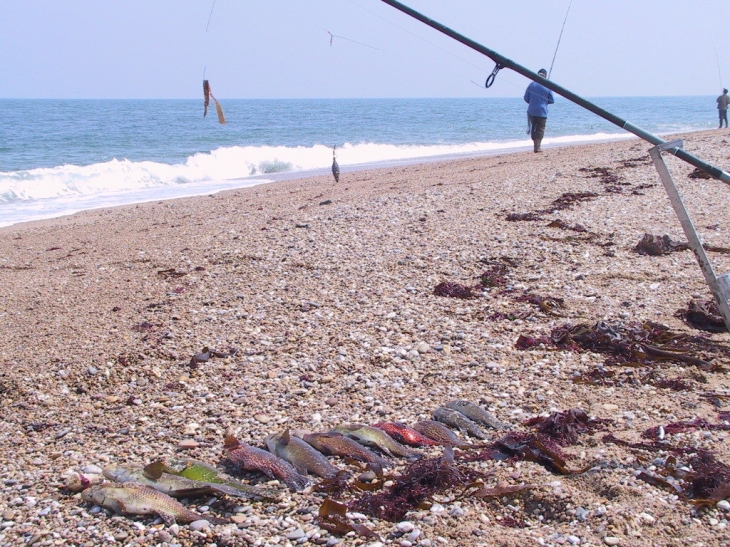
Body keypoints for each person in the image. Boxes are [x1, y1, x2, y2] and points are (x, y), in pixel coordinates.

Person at [524, 68, 555, 153]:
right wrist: (544, 102)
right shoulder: (548, 85)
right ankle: (537, 147)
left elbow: (526, 98)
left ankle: (535, 145)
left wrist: (533, 101)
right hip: (542, 111)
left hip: (531, 110)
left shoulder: (531, 85)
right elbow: (552, 100)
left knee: (533, 128)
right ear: (545, 76)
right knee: (540, 129)